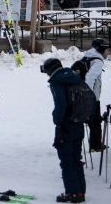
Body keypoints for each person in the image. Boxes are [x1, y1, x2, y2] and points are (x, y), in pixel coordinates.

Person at [41, 58, 87, 203]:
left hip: (66, 125)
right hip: (79, 123)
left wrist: (57, 121)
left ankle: (73, 193)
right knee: (76, 159)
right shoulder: (74, 77)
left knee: (67, 160)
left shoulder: (56, 81)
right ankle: (80, 192)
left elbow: (60, 103)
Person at [77, 39, 111, 151]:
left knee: (87, 121)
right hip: (92, 98)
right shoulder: (98, 61)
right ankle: (96, 146)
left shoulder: (87, 57)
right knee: (95, 121)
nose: (108, 52)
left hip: (81, 95)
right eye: (107, 50)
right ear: (101, 50)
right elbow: (90, 77)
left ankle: (90, 144)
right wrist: (89, 95)